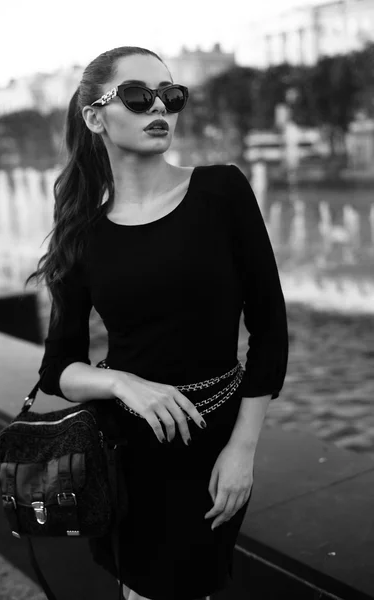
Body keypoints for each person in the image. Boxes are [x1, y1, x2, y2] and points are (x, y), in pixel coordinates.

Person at [26, 46, 288, 600]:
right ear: (95, 116)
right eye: (139, 96)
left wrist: (244, 449)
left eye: (171, 96)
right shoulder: (84, 231)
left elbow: (270, 330)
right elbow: (58, 369)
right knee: (136, 589)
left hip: (213, 445)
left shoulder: (223, 191)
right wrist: (121, 382)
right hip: (121, 450)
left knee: (188, 585)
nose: (159, 108)